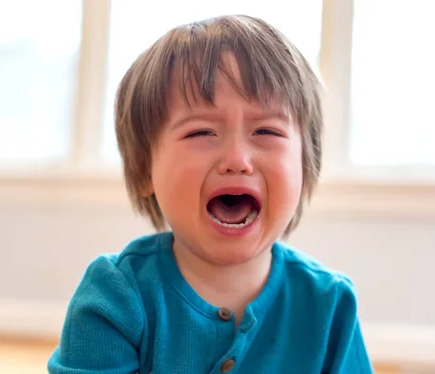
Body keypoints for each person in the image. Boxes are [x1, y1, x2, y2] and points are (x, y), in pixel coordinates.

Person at [48, 14, 373, 373]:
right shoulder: (115, 297)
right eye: (201, 133)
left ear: (305, 165)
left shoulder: (329, 305)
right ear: (145, 170)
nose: (238, 160)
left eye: (266, 131)